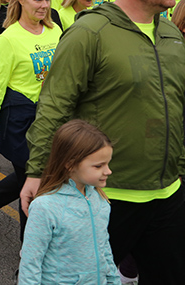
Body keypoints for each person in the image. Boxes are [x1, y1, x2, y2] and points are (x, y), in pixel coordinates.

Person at [21, 0, 185, 284]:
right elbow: (54, 107)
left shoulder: (171, 34)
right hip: (105, 198)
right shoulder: (90, 32)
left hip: (168, 194)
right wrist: (36, 172)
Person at [0, 0, 61, 234]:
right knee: (35, 186)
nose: (44, 5)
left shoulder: (54, 30)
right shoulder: (8, 39)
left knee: (40, 176)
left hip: (50, 117)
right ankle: (29, 253)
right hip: (20, 119)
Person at [18, 120, 119, 285]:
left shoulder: (100, 200)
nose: (108, 171)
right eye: (99, 166)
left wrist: (114, 280)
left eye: (108, 163)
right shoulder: (45, 207)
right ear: (71, 165)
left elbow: (103, 247)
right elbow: (31, 263)